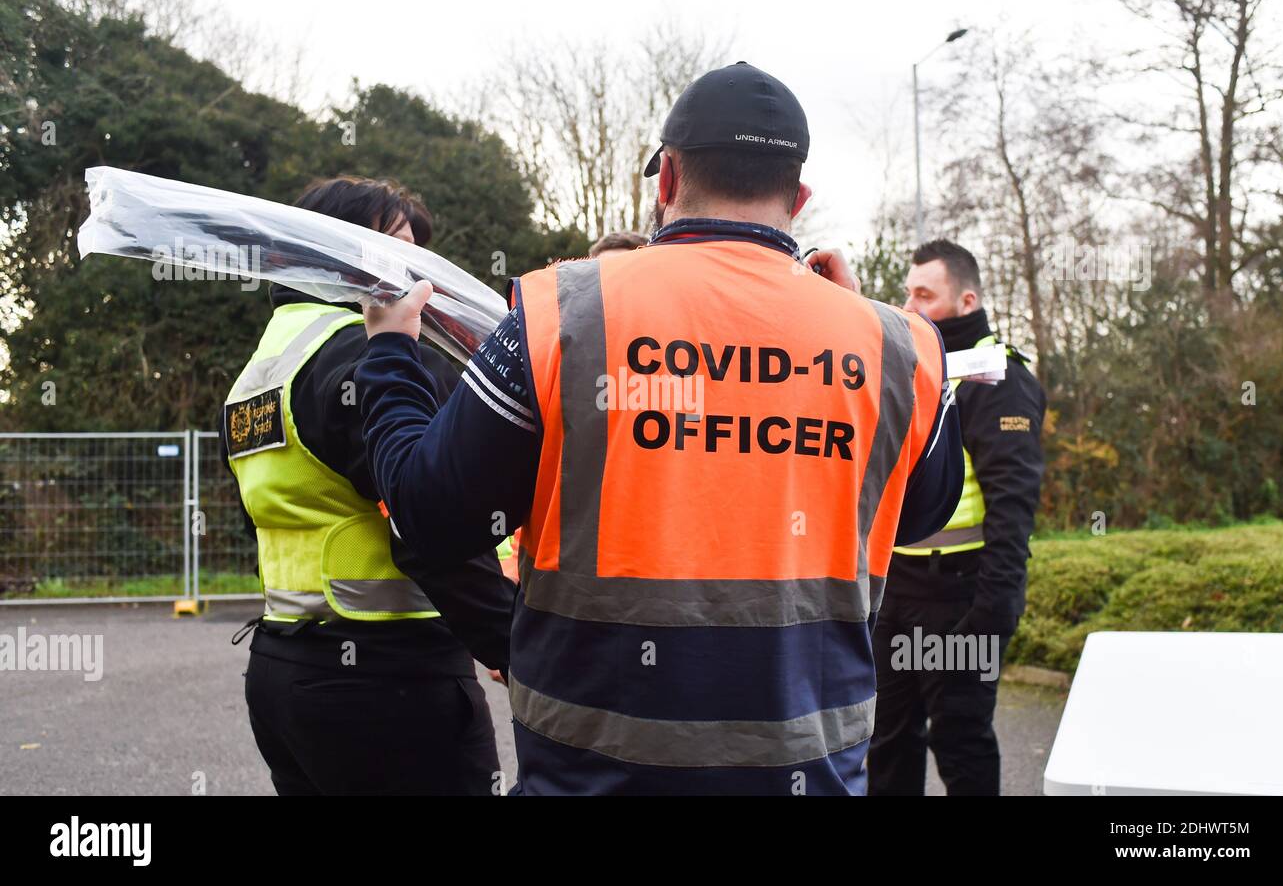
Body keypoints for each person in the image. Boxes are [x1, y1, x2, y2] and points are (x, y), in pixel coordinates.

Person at [354, 62, 963, 795]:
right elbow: (924, 512)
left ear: (666, 180)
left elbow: (429, 515)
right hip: (809, 770)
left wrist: (390, 350)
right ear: (799, 198)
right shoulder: (897, 345)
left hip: (590, 774)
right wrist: (858, 328)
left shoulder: (564, 311)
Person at [221, 176, 514, 796]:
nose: (417, 274)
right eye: (399, 250)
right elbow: (425, 520)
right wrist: (516, 648)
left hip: (284, 666)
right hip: (391, 678)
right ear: (337, 253)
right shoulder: (373, 355)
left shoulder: (267, 363)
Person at [868, 239, 1047, 796]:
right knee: (885, 741)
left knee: (961, 741)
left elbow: (1012, 503)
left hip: (961, 596)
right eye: (907, 294)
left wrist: (995, 609)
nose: (911, 306)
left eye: (926, 295)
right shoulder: (920, 368)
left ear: (966, 300)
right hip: (896, 591)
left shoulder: (998, 376)